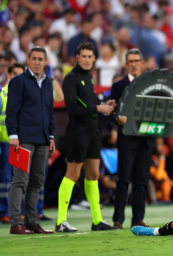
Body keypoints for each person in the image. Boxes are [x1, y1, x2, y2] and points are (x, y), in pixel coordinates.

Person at [56, 42, 118, 232]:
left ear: (94, 59)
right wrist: (98, 107)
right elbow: (72, 108)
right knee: (73, 174)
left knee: (93, 175)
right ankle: (61, 222)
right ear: (77, 58)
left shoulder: (88, 78)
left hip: (93, 131)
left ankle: (97, 221)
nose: (87, 59)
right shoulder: (71, 78)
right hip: (77, 132)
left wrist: (102, 103)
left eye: (90, 57)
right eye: (83, 56)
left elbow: (87, 104)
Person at [6, 47, 55, 234]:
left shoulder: (48, 83)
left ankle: (32, 221)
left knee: (36, 182)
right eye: (33, 58)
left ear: (45, 61)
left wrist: (51, 136)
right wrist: (13, 136)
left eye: (40, 59)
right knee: (20, 180)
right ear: (28, 60)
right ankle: (16, 222)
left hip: (42, 139)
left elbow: (49, 112)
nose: (37, 62)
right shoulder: (18, 82)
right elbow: (11, 112)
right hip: (23, 140)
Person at [111, 49, 155, 229]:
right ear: (126, 64)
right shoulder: (118, 86)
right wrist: (116, 119)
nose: (134, 64)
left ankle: (138, 218)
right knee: (123, 179)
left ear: (142, 63)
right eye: (130, 61)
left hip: (146, 139)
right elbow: (112, 111)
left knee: (142, 180)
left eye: (137, 60)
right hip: (127, 138)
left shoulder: (153, 85)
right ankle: (118, 219)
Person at [0, 63, 25, 224]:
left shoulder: (24, 94)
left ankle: (17, 212)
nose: (16, 76)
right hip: (5, 142)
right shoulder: (3, 94)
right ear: (8, 74)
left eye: (19, 74)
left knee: (20, 178)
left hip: (22, 143)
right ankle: (4, 211)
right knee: (6, 177)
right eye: (14, 73)